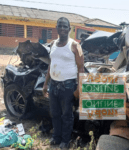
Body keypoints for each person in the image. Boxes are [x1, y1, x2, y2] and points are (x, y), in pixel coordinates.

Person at [42, 17, 84, 149]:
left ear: (69, 29)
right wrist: (45, 84)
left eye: (65, 26)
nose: (62, 28)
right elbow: (51, 65)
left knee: (67, 115)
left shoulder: (75, 46)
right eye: (60, 26)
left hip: (68, 87)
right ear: (56, 28)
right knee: (55, 113)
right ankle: (56, 137)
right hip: (53, 85)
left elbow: (81, 68)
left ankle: (65, 140)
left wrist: (79, 88)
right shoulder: (53, 43)